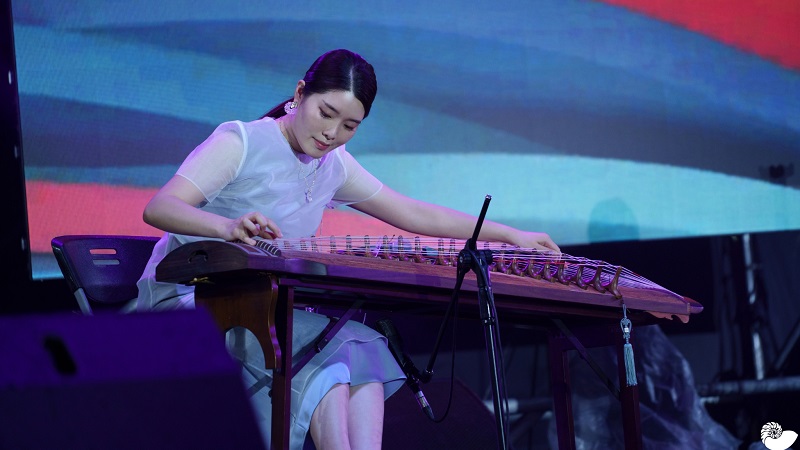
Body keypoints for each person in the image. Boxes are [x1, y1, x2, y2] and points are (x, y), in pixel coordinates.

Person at [136, 48, 560, 450]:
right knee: (328, 368)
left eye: (349, 126)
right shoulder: (242, 142)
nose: (331, 134)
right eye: (326, 113)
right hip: (190, 301)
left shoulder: (332, 165)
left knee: (365, 350)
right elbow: (160, 208)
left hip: (260, 306)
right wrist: (227, 226)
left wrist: (509, 235)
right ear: (300, 93)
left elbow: (413, 214)